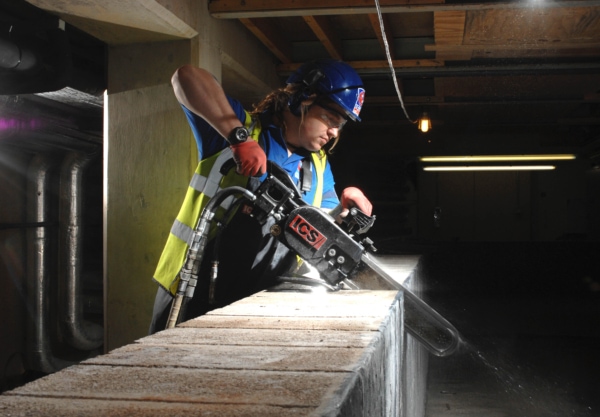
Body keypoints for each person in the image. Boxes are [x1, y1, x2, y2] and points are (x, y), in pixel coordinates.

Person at [148, 59, 373, 333]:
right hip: (189, 288)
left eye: (341, 124)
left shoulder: (318, 165)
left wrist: (345, 207)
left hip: (255, 303)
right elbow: (186, 76)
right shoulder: (238, 131)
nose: (334, 131)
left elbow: (321, 224)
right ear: (302, 99)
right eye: (330, 118)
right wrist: (238, 137)